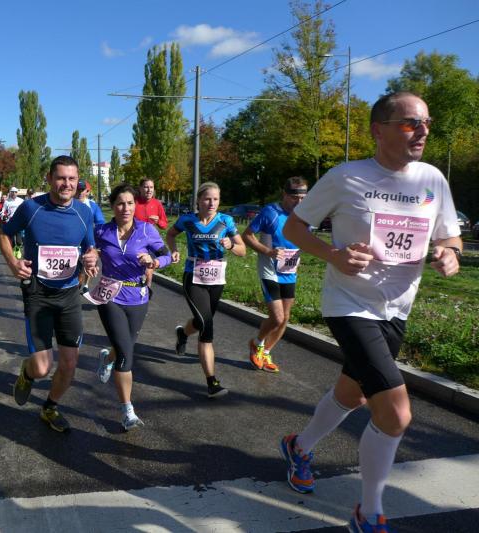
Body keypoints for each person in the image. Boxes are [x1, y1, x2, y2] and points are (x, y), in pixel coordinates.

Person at [279, 92, 462, 532]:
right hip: (349, 304)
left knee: (354, 394)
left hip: (397, 308)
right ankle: (370, 512)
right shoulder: (346, 177)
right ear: (379, 130)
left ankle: (299, 446)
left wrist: (449, 253)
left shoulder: (432, 179)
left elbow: (450, 236)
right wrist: (333, 255)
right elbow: (294, 227)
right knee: (396, 414)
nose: (422, 131)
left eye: (426, 123)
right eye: (410, 123)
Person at [0, 155, 98, 433]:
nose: (67, 184)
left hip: (69, 295)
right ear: (49, 179)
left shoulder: (84, 212)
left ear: (78, 181)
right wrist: (13, 262)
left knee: (70, 363)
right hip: (38, 294)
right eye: (61, 178)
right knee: (42, 368)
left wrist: (92, 258)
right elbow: (4, 234)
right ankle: (28, 371)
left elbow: (90, 248)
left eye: (72, 179)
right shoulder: (32, 207)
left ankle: (50, 407)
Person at [92, 183, 175, 430]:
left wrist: (154, 261)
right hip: (110, 296)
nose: (125, 208)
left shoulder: (146, 230)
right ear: (113, 206)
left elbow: (167, 255)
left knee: (125, 344)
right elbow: (86, 250)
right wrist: (90, 259)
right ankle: (127, 409)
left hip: (138, 297)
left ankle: (107, 356)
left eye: (129, 203)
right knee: (126, 354)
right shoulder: (102, 231)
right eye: (120, 203)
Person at [166, 182, 246, 398]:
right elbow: (170, 234)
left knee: (202, 320)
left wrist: (231, 245)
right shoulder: (187, 220)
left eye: (216, 199)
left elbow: (243, 250)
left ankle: (183, 333)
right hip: (193, 277)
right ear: (199, 200)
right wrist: (174, 250)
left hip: (217, 279)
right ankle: (212, 382)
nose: (212, 203)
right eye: (207, 199)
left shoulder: (226, 221)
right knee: (206, 326)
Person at [241, 177, 308, 373]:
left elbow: (304, 239)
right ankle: (256, 343)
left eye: (303, 198)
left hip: (289, 271)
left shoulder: (305, 216)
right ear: (285, 195)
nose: (299, 202)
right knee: (277, 317)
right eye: (295, 198)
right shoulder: (270, 212)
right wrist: (268, 251)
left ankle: (266, 352)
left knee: (285, 318)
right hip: (269, 270)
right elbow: (247, 235)